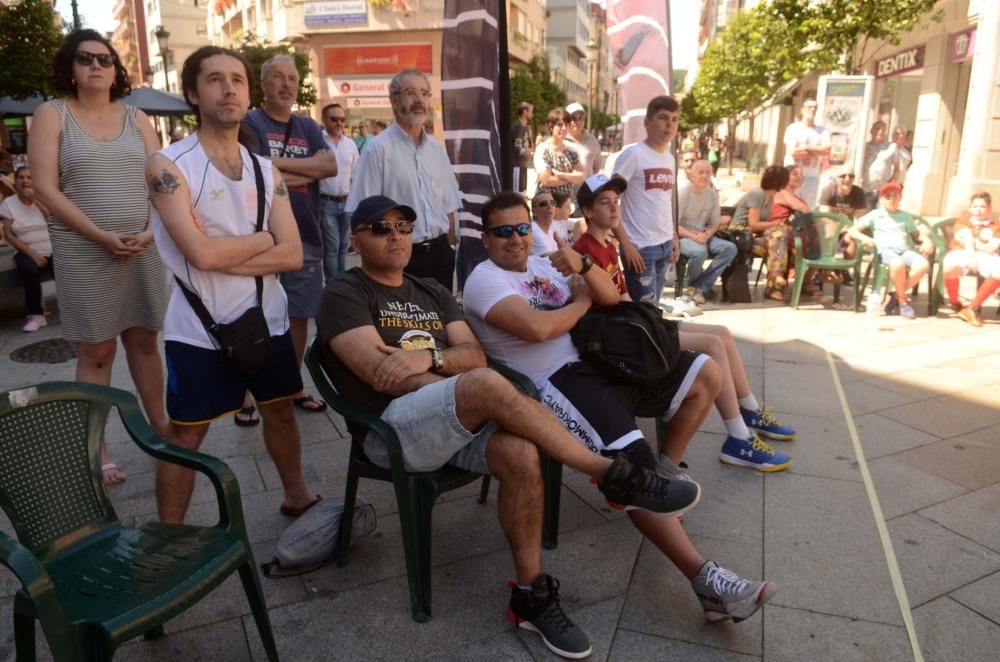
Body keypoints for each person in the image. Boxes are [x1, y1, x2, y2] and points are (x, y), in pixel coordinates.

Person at [318, 194, 699, 659]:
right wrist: (453, 376)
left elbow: (471, 353)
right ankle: (613, 473)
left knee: (519, 449)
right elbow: (385, 376)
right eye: (380, 228)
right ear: (355, 239)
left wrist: (430, 356)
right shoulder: (345, 292)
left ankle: (530, 594)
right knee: (483, 383)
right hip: (393, 431)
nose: (395, 235)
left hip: (454, 415)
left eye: (403, 225)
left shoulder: (432, 291)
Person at [463, 191, 777, 629]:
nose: (515, 239)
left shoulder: (542, 260)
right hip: (555, 384)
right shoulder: (484, 280)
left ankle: (663, 477)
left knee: (705, 372)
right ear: (486, 238)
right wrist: (580, 302)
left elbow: (610, 298)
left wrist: (586, 268)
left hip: (598, 361)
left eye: (521, 228)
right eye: (503, 232)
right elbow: (537, 329)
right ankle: (706, 581)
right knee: (631, 463)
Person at [146, 45, 319, 524]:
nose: (229, 88)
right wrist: (264, 238)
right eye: (215, 79)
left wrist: (230, 252)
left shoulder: (265, 169)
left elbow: (293, 254)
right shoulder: (168, 166)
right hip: (199, 328)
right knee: (187, 434)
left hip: (269, 319)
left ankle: (297, 494)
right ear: (192, 93)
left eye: (238, 80)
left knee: (280, 408)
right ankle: (170, 532)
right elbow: (200, 255)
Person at [572, 174, 793, 471]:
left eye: (616, 202)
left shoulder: (608, 244)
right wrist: (645, 319)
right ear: (587, 211)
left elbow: (623, 296)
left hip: (631, 324)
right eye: (604, 203)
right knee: (712, 344)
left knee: (723, 333)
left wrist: (649, 314)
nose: (614, 209)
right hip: (619, 339)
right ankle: (738, 438)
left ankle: (749, 409)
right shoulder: (585, 251)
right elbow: (606, 303)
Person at [29, 29, 169, 486]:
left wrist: (152, 231)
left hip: (142, 248)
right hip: (85, 250)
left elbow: (162, 181)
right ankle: (97, 447)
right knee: (97, 352)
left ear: (115, 70)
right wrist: (101, 235)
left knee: (146, 344)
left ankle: (162, 430)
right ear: (70, 66)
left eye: (104, 60)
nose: (95, 66)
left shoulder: (137, 117)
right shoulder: (52, 115)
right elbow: (46, 189)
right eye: (85, 58)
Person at [243, 54, 337, 416]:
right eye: (278, 78)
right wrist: (305, 170)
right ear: (263, 85)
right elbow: (249, 167)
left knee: (298, 316)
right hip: (260, 236)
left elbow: (329, 166)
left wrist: (274, 167)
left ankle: (292, 385)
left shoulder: (308, 126)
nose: (286, 85)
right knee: (252, 315)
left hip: (305, 235)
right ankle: (247, 394)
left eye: (292, 79)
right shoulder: (251, 121)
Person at [346, 68, 461, 290]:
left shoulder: (437, 150)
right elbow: (363, 211)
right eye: (410, 92)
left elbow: (449, 204)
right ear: (393, 100)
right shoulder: (377, 150)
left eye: (425, 93)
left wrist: (449, 245)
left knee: (440, 322)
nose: (419, 100)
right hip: (397, 257)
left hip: (440, 256)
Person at [611, 95, 683, 308]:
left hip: (664, 244)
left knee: (655, 309)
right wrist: (624, 243)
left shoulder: (670, 159)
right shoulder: (633, 155)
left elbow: (664, 201)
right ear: (647, 122)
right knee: (643, 313)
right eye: (663, 117)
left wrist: (674, 238)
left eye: (675, 119)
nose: (669, 124)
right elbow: (609, 201)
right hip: (640, 247)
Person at [849, 183, 934, 320]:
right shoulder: (876, 215)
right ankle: (902, 302)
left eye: (896, 196)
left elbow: (916, 234)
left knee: (923, 264)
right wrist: (863, 238)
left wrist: (927, 241)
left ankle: (896, 294)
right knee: (897, 263)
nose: (892, 199)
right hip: (885, 252)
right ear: (881, 199)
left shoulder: (905, 216)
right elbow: (852, 230)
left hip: (904, 251)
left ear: (900, 198)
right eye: (888, 197)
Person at [0, 167, 54, 332]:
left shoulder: (43, 199)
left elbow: (53, 221)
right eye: (21, 178)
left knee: (65, 267)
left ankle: (75, 309)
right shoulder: (9, 203)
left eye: (29, 177)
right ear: (15, 182)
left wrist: (35, 200)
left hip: (51, 247)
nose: (25, 181)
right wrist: (33, 254)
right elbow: (8, 235)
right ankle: (36, 315)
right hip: (25, 249)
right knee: (29, 269)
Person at [748, 165, 812, 302]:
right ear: (785, 177)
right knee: (780, 236)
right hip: (768, 235)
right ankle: (775, 286)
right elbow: (803, 209)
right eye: (794, 173)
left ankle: (807, 280)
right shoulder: (780, 193)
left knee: (815, 238)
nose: (798, 177)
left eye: (801, 175)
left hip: (786, 235)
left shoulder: (794, 196)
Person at [677, 160, 737, 303]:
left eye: (708, 172)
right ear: (691, 175)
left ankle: (699, 286)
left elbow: (715, 222)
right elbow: (673, 224)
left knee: (730, 248)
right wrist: (694, 237)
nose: (704, 176)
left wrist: (707, 234)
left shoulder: (712, 195)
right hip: (682, 236)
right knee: (699, 252)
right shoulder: (683, 194)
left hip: (703, 235)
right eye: (700, 172)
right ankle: (698, 289)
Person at [942, 192, 1000, 327]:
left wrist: (972, 243)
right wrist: (974, 248)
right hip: (962, 253)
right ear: (970, 209)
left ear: (989, 208)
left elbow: (992, 248)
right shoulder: (963, 222)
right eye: (975, 207)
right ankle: (955, 302)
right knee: (949, 266)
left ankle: (971, 308)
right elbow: (962, 240)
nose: (978, 210)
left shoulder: (995, 226)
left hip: (986, 256)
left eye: (982, 207)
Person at [319, 102, 360, 280]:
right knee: (332, 246)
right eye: (334, 119)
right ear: (324, 120)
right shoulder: (317, 141)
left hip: (347, 202)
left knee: (343, 246)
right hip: (326, 202)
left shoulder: (350, 145)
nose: (339, 123)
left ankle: (342, 283)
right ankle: (332, 283)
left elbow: (357, 174)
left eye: (342, 119)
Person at [782, 99, 830, 207]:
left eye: (815, 108)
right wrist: (817, 151)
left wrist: (806, 147)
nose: (812, 110)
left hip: (812, 177)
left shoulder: (823, 131)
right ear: (802, 110)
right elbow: (793, 152)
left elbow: (827, 151)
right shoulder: (793, 128)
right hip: (792, 175)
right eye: (809, 107)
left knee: (807, 208)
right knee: (788, 205)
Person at [533, 108, 584, 200]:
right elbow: (546, 180)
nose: (564, 128)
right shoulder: (543, 149)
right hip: (547, 203)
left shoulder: (572, 151)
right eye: (560, 125)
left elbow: (581, 176)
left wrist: (561, 175)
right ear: (551, 127)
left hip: (567, 204)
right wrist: (571, 178)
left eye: (566, 125)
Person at [867, 126, 911, 201]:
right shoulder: (886, 148)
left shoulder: (906, 153)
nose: (899, 136)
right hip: (881, 184)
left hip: (897, 184)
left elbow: (902, 169)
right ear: (892, 135)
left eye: (902, 134)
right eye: (897, 134)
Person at [565, 102, 603, 181]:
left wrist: (588, 184)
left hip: (587, 191)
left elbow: (596, 167)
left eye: (580, 118)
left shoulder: (592, 140)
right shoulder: (560, 140)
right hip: (565, 192)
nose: (577, 122)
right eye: (573, 118)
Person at [861, 121, 888, 208]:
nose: (880, 132)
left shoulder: (889, 148)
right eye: (877, 129)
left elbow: (897, 167)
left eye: (883, 130)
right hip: (866, 190)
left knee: (880, 217)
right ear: (871, 131)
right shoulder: (863, 147)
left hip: (882, 191)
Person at [511, 101, 534, 193]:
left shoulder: (526, 127)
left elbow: (529, 144)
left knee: (523, 191)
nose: (532, 114)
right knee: (517, 192)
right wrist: (530, 153)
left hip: (523, 165)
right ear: (525, 112)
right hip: (517, 165)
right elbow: (518, 148)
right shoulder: (517, 127)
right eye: (531, 111)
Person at [529, 190, 558, 256]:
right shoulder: (533, 231)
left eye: (552, 202)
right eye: (544, 204)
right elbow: (555, 259)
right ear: (534, 212)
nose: (549, 206)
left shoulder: (550, 231)